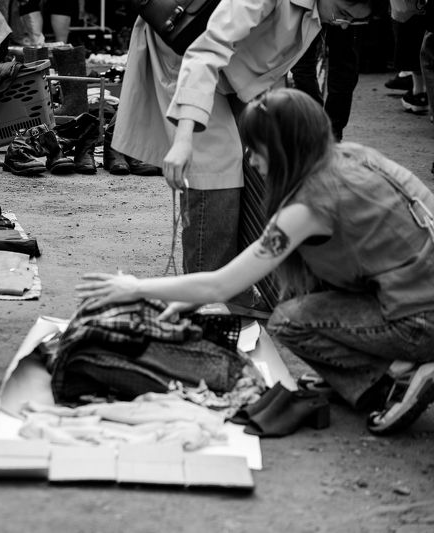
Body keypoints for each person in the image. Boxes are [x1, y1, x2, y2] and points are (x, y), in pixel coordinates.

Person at [78, 88, 434, 435]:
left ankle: (389, 385)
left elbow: (222, 284)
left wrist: (135, 287)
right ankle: (381, 371)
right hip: (416, 297)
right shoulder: (350, 157)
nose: (250, 158)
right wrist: (191, 296)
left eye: (257, 147)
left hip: (420, 318)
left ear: (282, 148)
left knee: (290, 321)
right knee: (300, 298)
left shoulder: (309, 206)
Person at [112, 0, 371, 307]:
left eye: (352, 22)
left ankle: (234, 291)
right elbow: (206, 50)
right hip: (188, 55)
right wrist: (184, 139)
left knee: (254, 167)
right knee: (216, 169)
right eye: (343, 14)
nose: (342, 24)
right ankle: (207, 303)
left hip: (232, 70)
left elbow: (268, 61)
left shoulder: (316, 9)